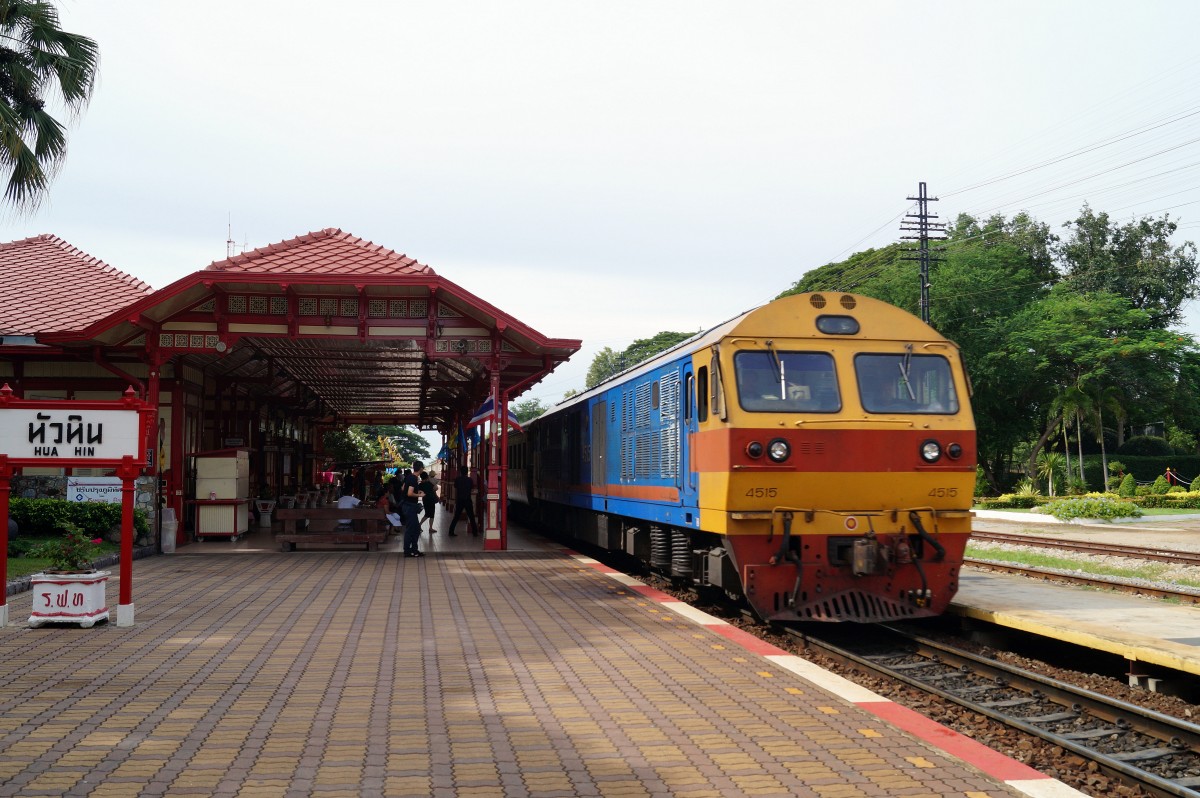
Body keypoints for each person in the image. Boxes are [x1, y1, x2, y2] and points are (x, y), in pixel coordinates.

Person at [399, 461, 424, 557]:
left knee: (416, 529)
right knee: (411, 529)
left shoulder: (409, 477)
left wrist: (416, 491)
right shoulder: (414, 479)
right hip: (410, 506)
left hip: (406, 505)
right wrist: (419, 494)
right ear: (421, 468)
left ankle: (414, 549)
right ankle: (407, 551)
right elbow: (409, 493)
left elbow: (403, 488)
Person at [447, 467, 479, 537]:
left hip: (460, 500)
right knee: (471, 516)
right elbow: (471, 487)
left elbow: (455, 486)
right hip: (467, 499)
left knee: (456, 516)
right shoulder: (470, 480)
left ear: (461, 472)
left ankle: (451, 531)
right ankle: (475, 532)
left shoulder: (458, 479)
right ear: (467, 472)